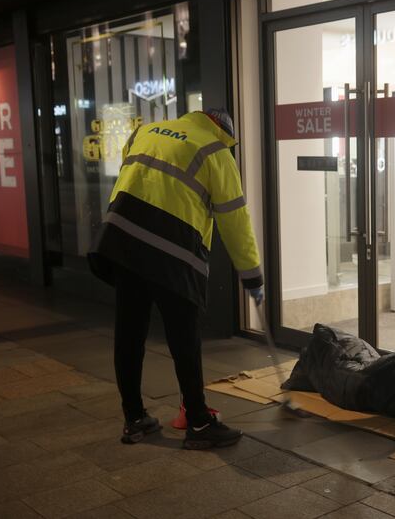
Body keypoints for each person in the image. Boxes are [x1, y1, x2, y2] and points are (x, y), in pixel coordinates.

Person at [88, 108, 264, 449]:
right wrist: (252, 275)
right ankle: (198, 423)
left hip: (122, 243)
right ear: (223, 132)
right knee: (184, 338)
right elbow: (235, 220)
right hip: (172, 252)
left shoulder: (147, 131)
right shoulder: (215, 151)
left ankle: (134, 418)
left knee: (129, 333)